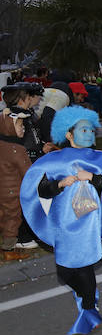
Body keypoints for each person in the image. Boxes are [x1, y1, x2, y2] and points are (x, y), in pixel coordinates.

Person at [19, 106, 102, 335]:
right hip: (61, 223)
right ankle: (87, 295)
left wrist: (92, 177)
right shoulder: (53, 162)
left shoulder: (100, 160)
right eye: (84, 129)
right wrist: (59, 184)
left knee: (84, 267)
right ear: (69, 134)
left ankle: (90, 309)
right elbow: (39, 190)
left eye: (92, 129)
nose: (90, 133)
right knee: (64, 271)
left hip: (88, 222)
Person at [0, 83, 35, 260]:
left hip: (2, 188)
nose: (23, 129)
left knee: (2, 216)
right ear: (11, 126)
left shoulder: (2, 143)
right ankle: (8, 250)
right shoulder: (17, 149)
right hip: (13, 191)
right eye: (20, 126)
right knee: (12, 218)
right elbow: (27, 172)